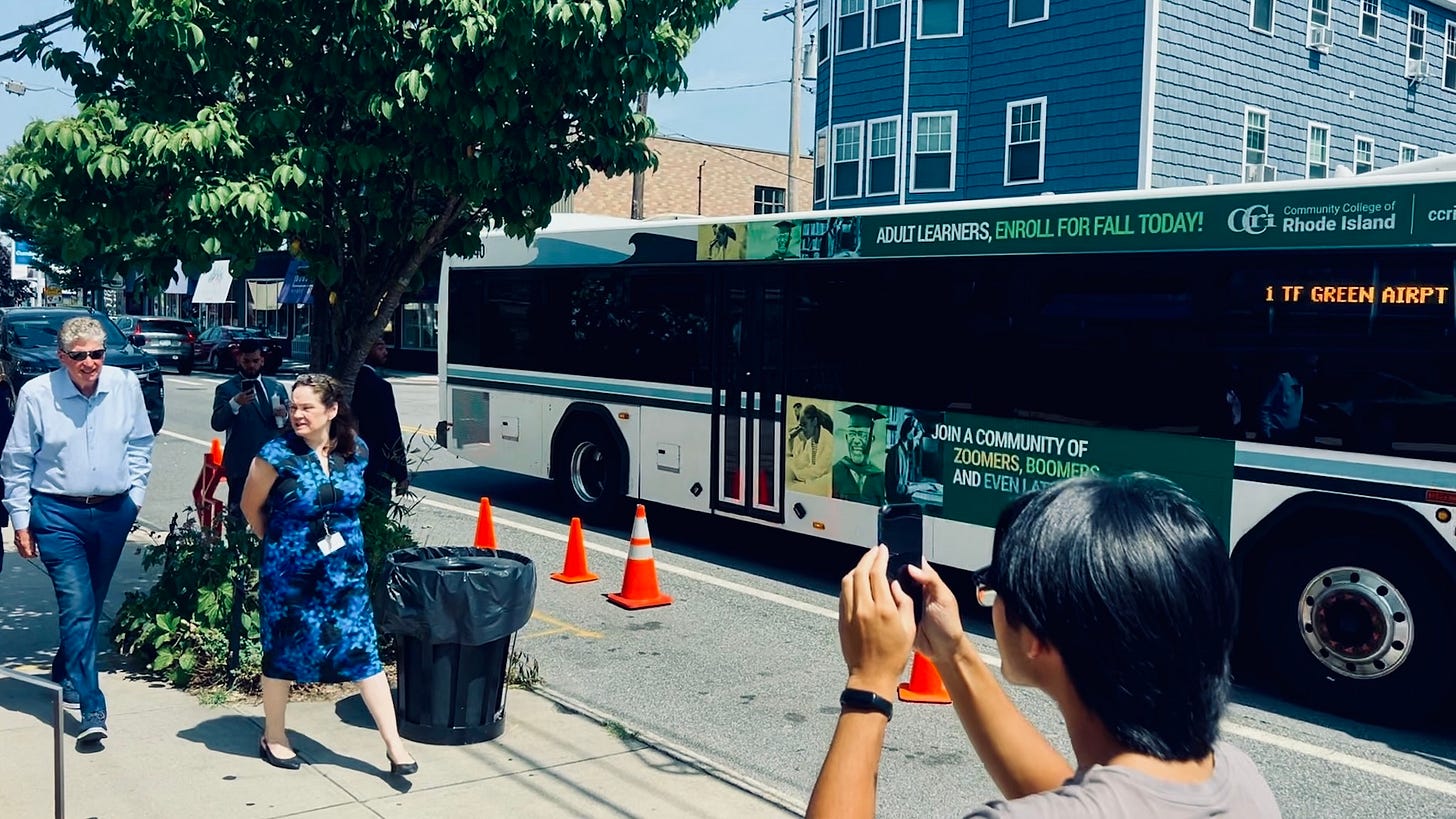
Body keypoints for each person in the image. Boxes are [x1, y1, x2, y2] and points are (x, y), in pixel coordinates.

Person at [807, 473, 1281, 818]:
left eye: (992, 586)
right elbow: (1083, 797)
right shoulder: (1237, 779)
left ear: (1035, 636)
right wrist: (952, 652)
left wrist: (869, 682)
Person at [239, 373, 417, 775]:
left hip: (345, 575)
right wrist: (282, 549)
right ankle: (274, 736)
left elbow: (353, 501)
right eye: (293, 407)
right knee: (283, 652)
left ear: (332, 410)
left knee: (363, 651)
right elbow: (251, 506)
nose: (297, 415)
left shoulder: (356, 450)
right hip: (291, 577)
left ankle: (394, 745)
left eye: (307, 408)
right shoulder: (275, 455)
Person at [1, 316, 154, 744]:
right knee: (78, 605)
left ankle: (66, 668)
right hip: (57, 514)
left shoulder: (125, 385)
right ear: (62, 357)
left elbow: (141, 442)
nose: (90, 363)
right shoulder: (38, 393)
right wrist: (21, 519)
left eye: (97, 354)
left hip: (113, 511)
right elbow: (16, 460)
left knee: (92, 600)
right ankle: (92, 708)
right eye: (79, 355)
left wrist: (135, 496)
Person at [211, 338, 290, 514]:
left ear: (262, 360)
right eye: (247, 361)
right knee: (239, 515)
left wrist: (285, 415)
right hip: (242, 464)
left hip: (273, 464)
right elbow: (217, 423)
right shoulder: (227, 389)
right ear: (239, 360)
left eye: (255, 361)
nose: (251, 366)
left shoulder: (276, 387)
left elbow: (291, 426)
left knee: (273, 516)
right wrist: (235, 404)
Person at [351, 339, 409, 500]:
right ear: (365, 350)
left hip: (349, 465)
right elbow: (391, 431)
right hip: (376, 465)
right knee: (376, 508)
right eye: (380, 347)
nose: (386, 352)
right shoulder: (380, 387)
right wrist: (401, 473)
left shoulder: (347, 381)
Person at [831, 404, 886, 505]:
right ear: (847, 438)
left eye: (862, 435)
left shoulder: (879, 477)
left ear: (871, 439)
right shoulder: (835, 473)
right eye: (852, 434)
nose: (856, 441)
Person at [788, 403, 834, 495]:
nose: (802, 429)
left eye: (804, 424)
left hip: (826, 480)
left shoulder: (828, 440)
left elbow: (818, 471)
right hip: (813, 477)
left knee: (797, 488)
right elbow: (801, 462)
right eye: (801, 425)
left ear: (814, 422)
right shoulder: (810, 441)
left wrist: (796, 473)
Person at [885, 414, 926, 502]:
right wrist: (917, 487)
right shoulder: (897, 453)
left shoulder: (904, 452)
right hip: (896, 502)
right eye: (917, 439)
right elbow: (899, 489)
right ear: (910, 434)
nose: (917, 444)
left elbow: (902, 482)